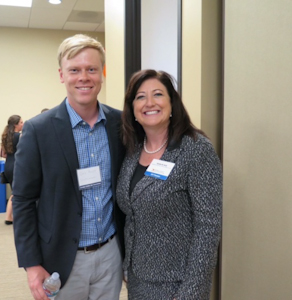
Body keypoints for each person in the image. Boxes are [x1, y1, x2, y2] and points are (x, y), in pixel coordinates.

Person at [12, 34, 126, 300]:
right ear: (62, 75)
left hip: (111, 255)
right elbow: (23, 200)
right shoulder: (38, 129)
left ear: (101, 74)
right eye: (74, 70)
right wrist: (31, 264)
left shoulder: (120, 124)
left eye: (91, 69)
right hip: (63, 259)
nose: (83, 77)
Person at [117, 69, 222, 299]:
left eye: (158, 94)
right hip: (137, 281)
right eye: (140, 97)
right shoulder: (132, 151)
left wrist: (191, 291)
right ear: (133, 108)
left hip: (178, 285)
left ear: (172, 103)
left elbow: (208, 228)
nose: (149, 102)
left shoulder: (195, 150)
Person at [0, 115, 23, 225]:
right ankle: (9, 217)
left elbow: (2, 154)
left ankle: (10, 216)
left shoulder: (5, 137)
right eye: (21, 122)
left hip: (8, 165)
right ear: (16, 125)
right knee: (16, 193)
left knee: (14, 191)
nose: (23, 124)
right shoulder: (20, 137)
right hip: (17, 166)